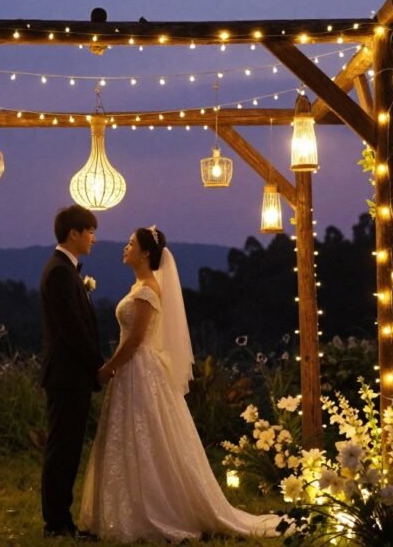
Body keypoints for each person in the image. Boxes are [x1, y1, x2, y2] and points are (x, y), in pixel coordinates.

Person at [79, 226, 280, 542]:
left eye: (131, 244)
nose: (125, 247)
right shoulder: (139, 286)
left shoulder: (147, 290)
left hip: (139, 368)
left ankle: (155, 509)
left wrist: (108, 369)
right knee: (132, 434)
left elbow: (135, 340)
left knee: (146, 435)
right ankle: (126, 506)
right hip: (135, 370)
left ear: (145, 252)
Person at [39, 205, 106, 539]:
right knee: (62, 449)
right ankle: (57, 522)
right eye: (90, 230)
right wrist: (100, 365)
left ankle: (60, 519)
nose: (94, 237)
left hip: (71, 376)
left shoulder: (66, 270)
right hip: (67, 376)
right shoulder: (60, 273)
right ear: (73, 233)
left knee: (67, 447)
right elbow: (72, 330)